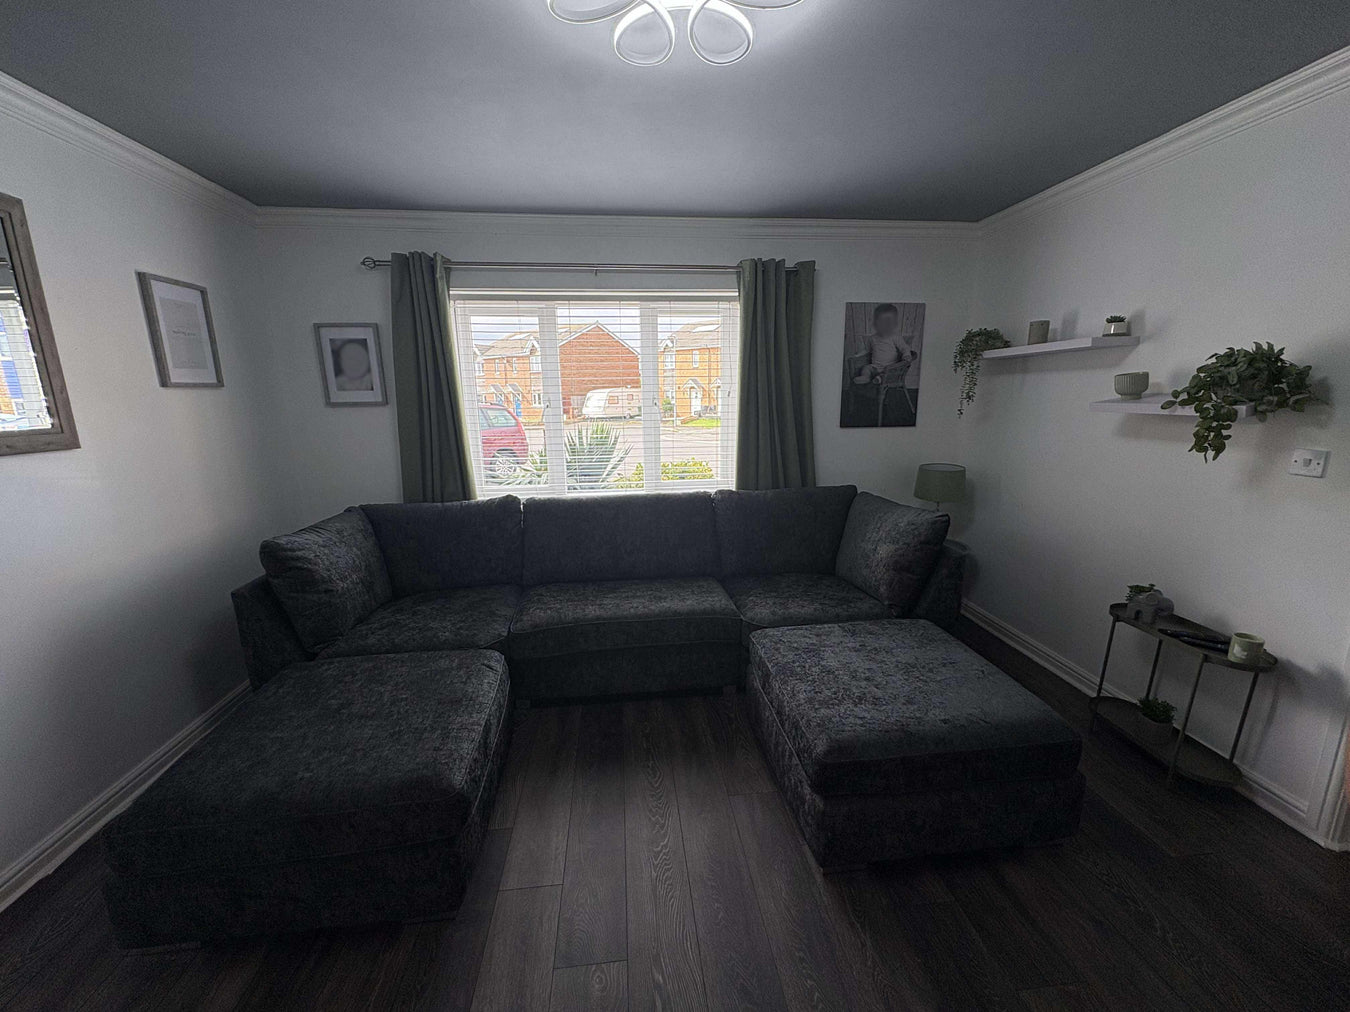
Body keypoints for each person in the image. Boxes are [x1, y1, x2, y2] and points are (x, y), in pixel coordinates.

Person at [852, 303, 914, 384]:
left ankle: (879, 378)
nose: (885, 326)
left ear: (894, 324)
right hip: (875, 367)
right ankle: (865, 377)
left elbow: (904, 347)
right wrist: (858, 355)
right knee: (866, 368)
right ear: (875, 324)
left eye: (888, 323)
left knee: (887, 373)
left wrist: (906, 355)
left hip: (890, 367)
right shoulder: (872, 338)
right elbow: (867, 350)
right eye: (881, 323)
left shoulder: (895, 337)